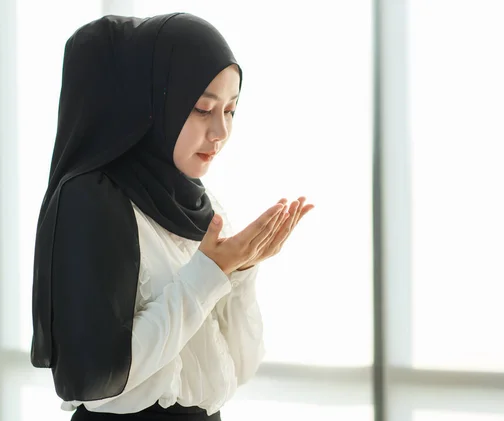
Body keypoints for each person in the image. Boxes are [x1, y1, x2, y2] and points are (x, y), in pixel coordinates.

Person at [30, 12, 314, 421]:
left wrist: (241, 270)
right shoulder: (92, 200)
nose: (220, 132)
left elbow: (241, 365)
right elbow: (100, 378)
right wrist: (210, 272)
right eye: (202, 109)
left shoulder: (201, 205)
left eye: (231, 110)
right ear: (150, 103)